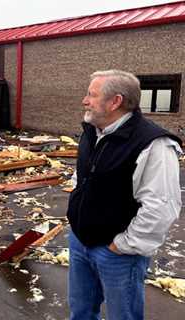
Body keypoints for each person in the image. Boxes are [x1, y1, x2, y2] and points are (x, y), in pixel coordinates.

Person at [67, 70, 182, 320]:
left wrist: (122, 245)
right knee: (81, 312)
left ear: (115, 102)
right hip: (79, 241)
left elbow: (161, 207)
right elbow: (82, 177)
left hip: (117, 253)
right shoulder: (92, 132)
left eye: (91, 95)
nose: (84, 100)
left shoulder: (153, 144)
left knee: (124, 316)